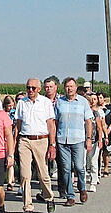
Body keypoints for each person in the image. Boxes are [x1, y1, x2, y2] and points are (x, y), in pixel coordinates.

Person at [14, 78, 57, 213]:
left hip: (41, 140)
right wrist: (14, 142)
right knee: (25, 175)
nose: (30, 90)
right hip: (25, 140)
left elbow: (51, 125)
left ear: (39, 89)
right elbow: (18, 124)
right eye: (28, 87)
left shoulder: (45, 102)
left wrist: (52, 145)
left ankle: (49, 197)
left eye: (33, 88)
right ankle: (27, 206)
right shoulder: (22, 103)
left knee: (43, 173)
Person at [54, 78, 93, 206]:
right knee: (66, 169)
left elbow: (88, 121)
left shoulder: (83, 102)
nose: (69, 88)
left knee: (79, 167)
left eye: (71, 86)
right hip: (62, 140)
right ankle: (70, 195)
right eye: (67, 86)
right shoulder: (59, 102)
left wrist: (89, 138)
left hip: (78, 139)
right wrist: (53, 140)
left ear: (76, 87)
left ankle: (82, 188)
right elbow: (55, 122)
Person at [43, 77, 64, 197]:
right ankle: (45, 190)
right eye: (46, 87)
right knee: (43, 164)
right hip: (44, 134)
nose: (48, 89)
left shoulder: (62, 100)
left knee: (61, 163)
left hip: (59, 134)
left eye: (51, 86)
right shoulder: (41, 101)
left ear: (56, 87)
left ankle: (62, 188)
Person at [85, 92, 106, 193]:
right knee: (83, 163)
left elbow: (99, 127)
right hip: (82, 140)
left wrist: (100, 139)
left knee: (93, 161)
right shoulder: (81, 113)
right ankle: (82, 182)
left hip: (94, 140)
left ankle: (93, 182)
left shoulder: (95, 113)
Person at [2, 95, 17, 190]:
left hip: (11, 138)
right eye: (9, 106)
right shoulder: (2, 114)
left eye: (12, 105)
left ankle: (10, 182)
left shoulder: (14, 114)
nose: (11, 108)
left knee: (11, 159)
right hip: (3, 139)